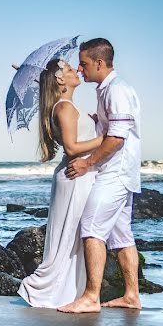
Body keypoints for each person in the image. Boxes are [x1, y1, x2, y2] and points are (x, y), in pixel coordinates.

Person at [57, 38, 143, 313]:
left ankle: (91, 297)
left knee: (91, 227)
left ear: (99, 63)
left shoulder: (116, 90)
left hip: (115, 172)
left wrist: (86, 163)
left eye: (83, 64)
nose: (80, 70)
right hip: (120, 170)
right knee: (122, 236)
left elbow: (116, 138)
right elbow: (111, 131)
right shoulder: (108, 90)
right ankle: (131, 295)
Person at [17, 57, 104, 308]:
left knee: (75, 235)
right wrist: (105, 138)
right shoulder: (64, 108)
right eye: (68, 69)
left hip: (77, 176)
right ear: (59, 79)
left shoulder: (67, 106)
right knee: (70, 236)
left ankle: (72, 292)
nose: (76, 70)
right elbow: (72, 147)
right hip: (75, 177)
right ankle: (46, 289)